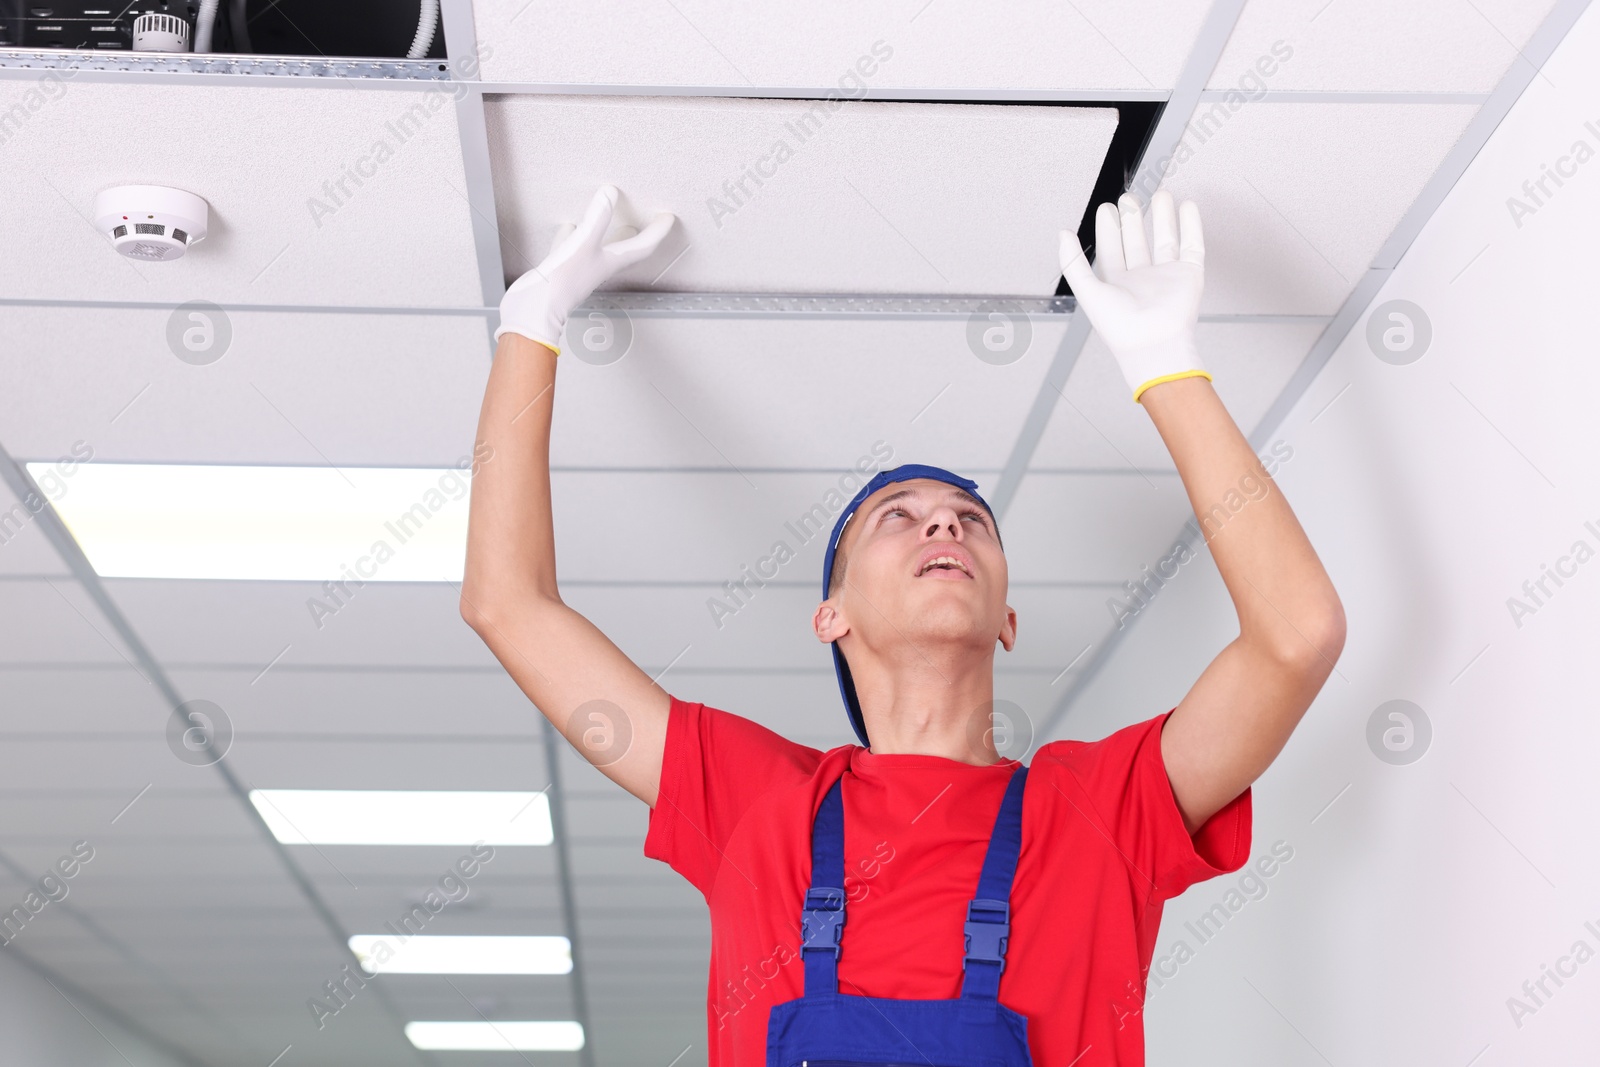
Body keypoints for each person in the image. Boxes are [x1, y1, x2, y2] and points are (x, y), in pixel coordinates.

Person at [461, 185, 1345, 1066]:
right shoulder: (756, 802)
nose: (944, 523)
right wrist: (529, 325)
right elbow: (509, 604)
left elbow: (1296, 634)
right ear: (830, 615)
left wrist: (1167, 368)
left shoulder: (1101, 813)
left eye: (972, 519)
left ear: (1006, 617)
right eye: (898, 515)